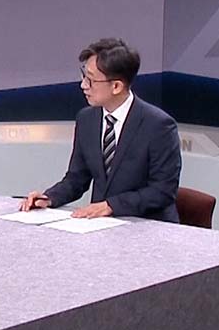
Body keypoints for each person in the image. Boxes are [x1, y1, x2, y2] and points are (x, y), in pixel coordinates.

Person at [20, 38, 181, 222]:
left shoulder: (159, 126)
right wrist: (49, 198)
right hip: (101, 225)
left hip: (148, 226)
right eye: (84, 76)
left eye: (91, 80)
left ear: (116, 86)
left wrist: (110, 206)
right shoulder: (86, 119)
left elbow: (162, 191)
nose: (83, 85)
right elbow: (76, 178)